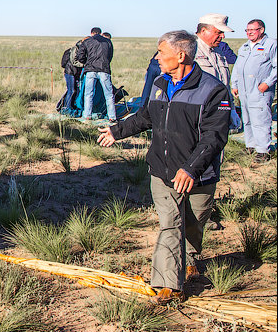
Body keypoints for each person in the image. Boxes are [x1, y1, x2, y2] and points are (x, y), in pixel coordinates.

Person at [97, 30, 230, 303]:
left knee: (193, 224)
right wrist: (116, 131)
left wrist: (191, 168)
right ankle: (168, 284)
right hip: (162, 170)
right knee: (171, 223)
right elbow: (145, 116)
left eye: (161, 52)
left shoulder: (212, 90)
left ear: (180, 56)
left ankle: (190, 259)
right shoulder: (160, 83)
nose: (157, 57)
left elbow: (213, 137)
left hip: (199, 174)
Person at [231, 19, 277, 160]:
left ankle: (263, 150)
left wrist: (267, 83)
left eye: (253, 30)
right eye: (247, 30)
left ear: (261, 30)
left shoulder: (271, 44)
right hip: (244, 90)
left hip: (260, 90)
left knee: (260, 119)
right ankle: (250, 146)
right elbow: (238, 67)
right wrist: (235, 84)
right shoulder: (244, 47)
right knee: (248, 118)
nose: (249, 33)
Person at [195, 13, 239, 129]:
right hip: (199, 113)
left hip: (219, 113)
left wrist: (232, 109)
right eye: (218, 32)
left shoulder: (218, 51)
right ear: (203, 30)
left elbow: (225, 85)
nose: (223, 36)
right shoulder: (190, 50)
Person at [75, 27, 116, 123]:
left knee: (88, 93)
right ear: (100, 33)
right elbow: (110, 56)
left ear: (91, 33)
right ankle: (112, 116)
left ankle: (87, 115)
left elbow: (80, 55)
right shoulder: (108, 42)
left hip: (90, 70)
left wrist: (86, 63)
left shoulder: (87, 41)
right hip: (104, 69)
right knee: (109, 94)